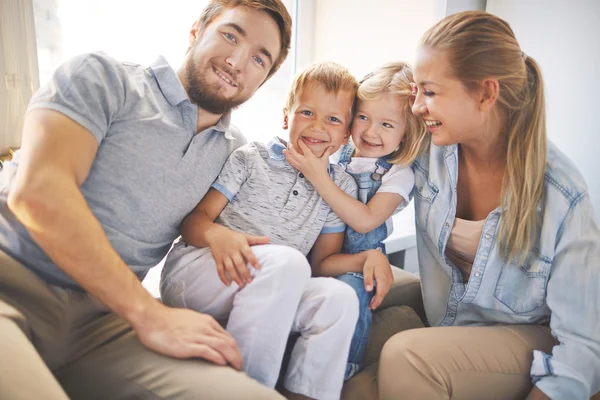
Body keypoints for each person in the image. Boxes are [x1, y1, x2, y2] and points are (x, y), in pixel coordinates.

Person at [0, 1, 293, 399]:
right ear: (196, 31)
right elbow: (38, 195)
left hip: (103, 321)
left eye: (260, 59)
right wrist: (150, 313)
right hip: (12, 284)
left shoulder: (234, 152)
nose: (239, 61)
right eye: (231, 35)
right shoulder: (103, 77)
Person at [376, 10, 600, 400]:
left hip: (530, 340)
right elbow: (356, 159)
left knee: (405, 357)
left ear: (486, 93)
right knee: (358, 366)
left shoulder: (561, 194)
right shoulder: (427, 148)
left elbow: (582, 346)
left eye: (429, 92)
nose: (416, 107)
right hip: (450, 322)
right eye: (416, 91)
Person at [160, 61, 394, 400]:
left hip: (271, 286)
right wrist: (218, 235)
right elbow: (195, 222)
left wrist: (367, 257)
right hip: (201, 272)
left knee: (339, 298)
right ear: (287, 117)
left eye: (332, 119)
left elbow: (320, 265)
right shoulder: (250, 158)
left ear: (345, 135)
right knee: (287, 262)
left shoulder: (338, 186)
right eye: (307, 113)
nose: (317, 126)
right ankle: (246, 393)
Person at [283, 62, 429, 380]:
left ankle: (342, 369)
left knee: (351, 294)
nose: (370, 131)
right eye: (363, 117)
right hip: (318, 245)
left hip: (358, 263)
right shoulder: (342, 152)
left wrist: (320, 178)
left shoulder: (399, 172)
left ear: (407, 134)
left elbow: (365, 221)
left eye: (387, 125)